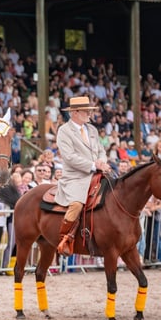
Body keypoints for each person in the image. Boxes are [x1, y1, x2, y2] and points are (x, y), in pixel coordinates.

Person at [55, 96, 109, 256]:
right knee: (77, 204)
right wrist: (93, 165)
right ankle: (64, 238)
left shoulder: (91, 129)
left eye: (89, 111)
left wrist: (103, 162)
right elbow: (69, 157)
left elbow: (101, 150)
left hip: (97, 173)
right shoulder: (64, 131)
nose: (89, 114)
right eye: (86, 111)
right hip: (75, 176)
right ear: (75, 112)